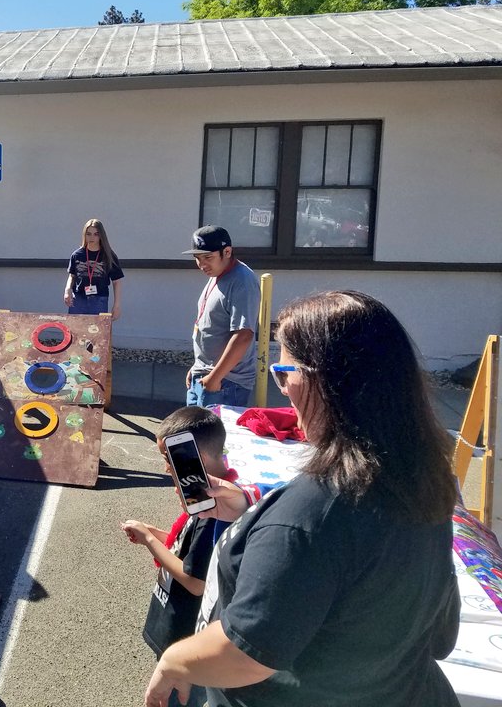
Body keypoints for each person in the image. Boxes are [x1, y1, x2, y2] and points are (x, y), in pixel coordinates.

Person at [144, 290, 461, 707]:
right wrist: (250, 513)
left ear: (324, 381)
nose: (283, 390)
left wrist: (173, 661)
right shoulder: (422, 479)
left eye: (284, 371)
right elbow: (441, 635)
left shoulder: (313, 513)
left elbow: (246, 652)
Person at [120, 407, 234, 707]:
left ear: (200, 458)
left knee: (177, 699)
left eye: (171, 459)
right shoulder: (205, 499)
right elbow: (186, 545)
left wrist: (147, 540)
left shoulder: (214, 514)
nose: (168, 468)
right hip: (174, 620)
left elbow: (196, 580)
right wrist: (155, 533)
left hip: (186, 631)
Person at [182, 225, 260, 408]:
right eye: (197, 258)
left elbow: (243, 335)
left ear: (227, 252)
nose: (202, 265)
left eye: (208, 257)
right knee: (192, 435)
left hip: (226, 383)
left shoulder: (242, 280)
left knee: (209, 436)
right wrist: (197, 367)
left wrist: (215, 378)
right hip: (205, 376)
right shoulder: (216, 275)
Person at [63, 218, 124, 319]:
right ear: (84, 235)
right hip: (78, 299)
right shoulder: (77, 255)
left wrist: (117, 305)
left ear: (101, 235)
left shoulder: (109, 255)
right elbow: (72, 275)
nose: (92, 237)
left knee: (96, 332)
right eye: (88, 234)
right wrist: (67, 290)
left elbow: (116, 281)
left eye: (96, 234)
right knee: (75, 331)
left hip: (99, 300)